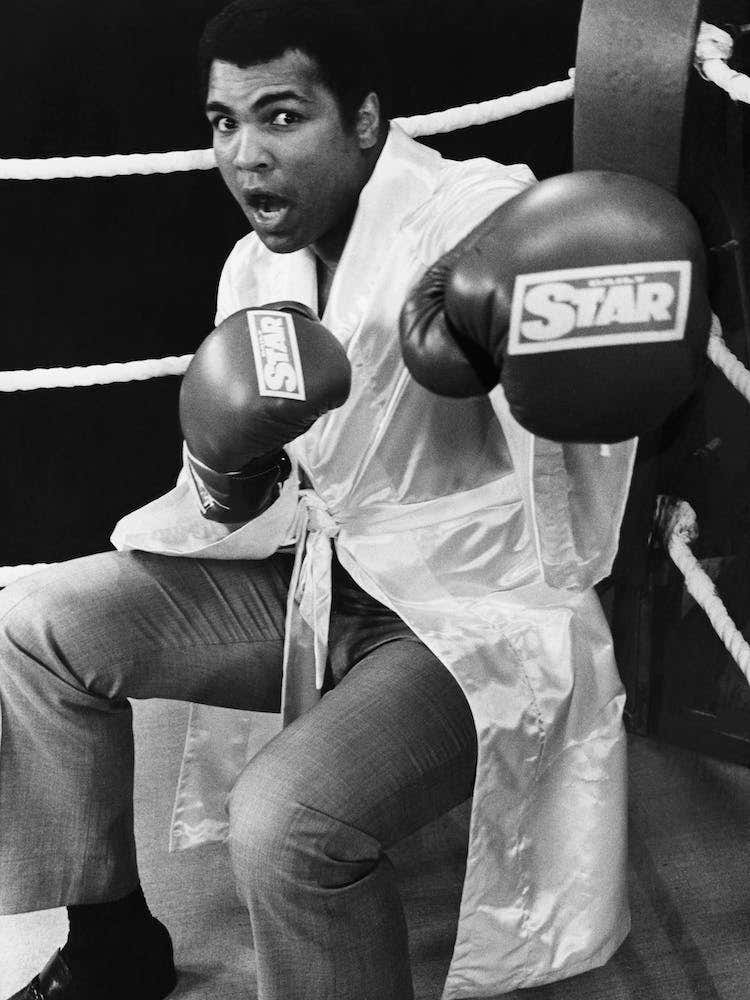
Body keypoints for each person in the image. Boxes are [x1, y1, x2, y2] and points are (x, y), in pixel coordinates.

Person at [0, 1, 638, 998]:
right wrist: (224, 456)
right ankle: (112, 941)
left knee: (283, 819)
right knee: (33, 621)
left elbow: (566, 295)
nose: (246, 155)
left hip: (463, 618)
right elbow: (243, 504)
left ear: (366, 121)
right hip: (317, 582)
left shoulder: (473, 217)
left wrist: (509, 320)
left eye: (283, 116)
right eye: (224, 123)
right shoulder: (259, 266)